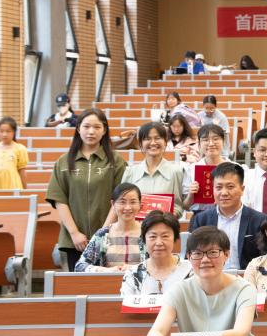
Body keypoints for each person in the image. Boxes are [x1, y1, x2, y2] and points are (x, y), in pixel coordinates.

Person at [146, 226, 257, 336]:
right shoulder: (179, 290)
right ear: (189, 257)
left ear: (226, 254)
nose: (205, 259)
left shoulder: (244, 289)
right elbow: (155, 332)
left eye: (212, 253)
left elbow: (240, 335)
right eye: (197, 253)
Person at [46, 108, 127, 271]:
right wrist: (74, 233)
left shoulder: (116, 161)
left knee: (110, 283)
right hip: (75, 241)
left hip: (110, 238)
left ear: (104, 130)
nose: (91, 131)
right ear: (78, 129)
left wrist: (103, 233)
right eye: (86, 126)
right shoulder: (64, 162)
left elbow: (120, 199)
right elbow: (60, 200)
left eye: (97, 127)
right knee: (79, 283)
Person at [189, 162, 267, 270]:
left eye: (230, 187)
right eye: (219, 187)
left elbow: (265, 258)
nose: (224, 193)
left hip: (246, 277)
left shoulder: (259, 220)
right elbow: (194, 255)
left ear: (242, 189)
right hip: (211, 276)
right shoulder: (201, 220)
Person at [76, 183, 146, 271]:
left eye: (133, 202)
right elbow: (79, 266)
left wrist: (136, 269)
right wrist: (105, 270)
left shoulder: (147, 232)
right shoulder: (103, 234)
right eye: (122, 202)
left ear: (140, 205)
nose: (128, 207)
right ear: (113, 204)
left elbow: (160, 264)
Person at [121, 211, 193, 296]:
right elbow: (127, 303)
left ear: (175, 238)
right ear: (144, 239)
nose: (159, 243)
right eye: (153, 236)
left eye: (165, 236)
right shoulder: (132, 275)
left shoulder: (191, 271)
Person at [121, 122, 185, 217]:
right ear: (140, 144)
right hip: (136, 225)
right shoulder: (130, 172)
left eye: (157, 138)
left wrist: (164, 218)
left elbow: (178, 206)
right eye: (147, 139)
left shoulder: (176, 171)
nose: (153, 143)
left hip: (165, 225)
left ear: (165, 142)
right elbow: (122, 203)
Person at [181, 123, 228, 218]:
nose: (211, 144)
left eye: (215, 139)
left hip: (227, 215)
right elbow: (185, 206)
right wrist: (191, 194)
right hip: (199, 216)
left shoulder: (234, 168)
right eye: (206, 140)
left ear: (223, 142)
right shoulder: (191, 169)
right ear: (199, 145)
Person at [0, 117, 28, 189]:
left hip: (12, 185)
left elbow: (22, 172)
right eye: (1, 131)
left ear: (14, 132)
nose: (4, 134)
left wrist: (25, 191)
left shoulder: (20, 148)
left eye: (8, 131)